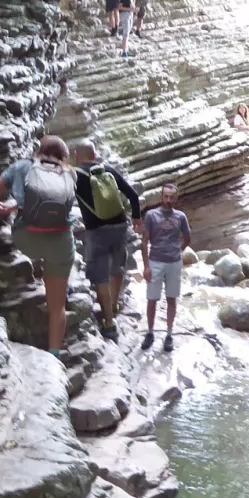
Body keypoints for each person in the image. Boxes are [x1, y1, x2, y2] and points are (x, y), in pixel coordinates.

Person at [0, 135, 76, 357]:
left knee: (32, 245)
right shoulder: (70, 173)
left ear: (39, 151)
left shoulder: (23, 166)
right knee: (57, 306)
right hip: (61, 241)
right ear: (63, 157)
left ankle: (36, 268)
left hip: (27, 239)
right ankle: (54, 353)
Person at [71, 139, 142, 341]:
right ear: (94, 155)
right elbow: (133, 196)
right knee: (117, 267)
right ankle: (113, 304)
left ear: (77, 156)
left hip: (96, 230)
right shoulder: (108, 170)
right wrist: (136, 218)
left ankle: (109, 323)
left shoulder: (75, 176)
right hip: (120, 226)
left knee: (100, 274)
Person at [140, 183, 193, 352]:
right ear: (161, 197)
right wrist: (146, 266)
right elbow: (144, 242)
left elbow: (188, 238)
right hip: (155, 261)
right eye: (166, 196)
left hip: (174, 262)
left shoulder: (181, 217)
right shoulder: (151, 215)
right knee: (152, 299)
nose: (168, 200)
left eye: (171, 197)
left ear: (175, 198)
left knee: (171, 299)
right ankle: (150, 332)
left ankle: (169, 334)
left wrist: (179, 250)